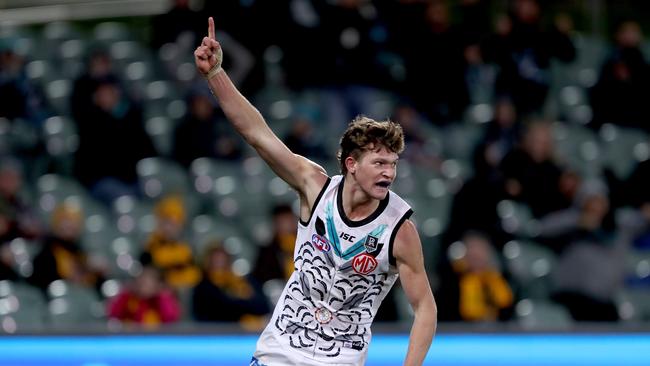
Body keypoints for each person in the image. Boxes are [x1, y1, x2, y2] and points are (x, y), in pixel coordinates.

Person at [194, 17, 436, 366]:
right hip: (279, 351)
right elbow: (257, 135)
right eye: (380, 163)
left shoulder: (400, 230)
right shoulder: (314, 187)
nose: (390, 172)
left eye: (393, 164)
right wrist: (216, 74)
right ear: (352, 164)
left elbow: (425, 307)